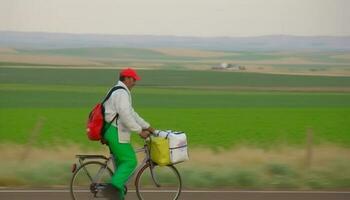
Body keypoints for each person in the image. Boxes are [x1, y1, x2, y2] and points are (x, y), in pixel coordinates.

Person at [102, 67, 154, 200]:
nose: (135, 82)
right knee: (130, 161)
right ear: (126, 78)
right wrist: (139, 131)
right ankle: (111, 188)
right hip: (115, 132)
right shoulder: (121, 93)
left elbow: (132, 113)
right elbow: (125, 116)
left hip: (114, 132)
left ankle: (117, 195)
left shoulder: (119, 91)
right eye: (133, 79)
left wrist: (148, 126)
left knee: (121, 169)